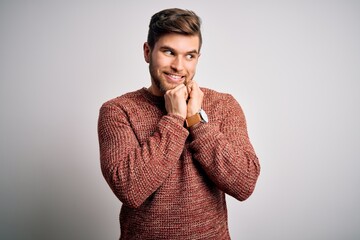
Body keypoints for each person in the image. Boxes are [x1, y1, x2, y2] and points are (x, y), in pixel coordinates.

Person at [98, 8, 260, 240]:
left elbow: (244, 184)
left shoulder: (224, 105)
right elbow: (130, 189)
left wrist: (196, 121)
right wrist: (174, 119)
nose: (179, 66)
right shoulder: (117, 110)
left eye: (189, 56)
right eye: (168, 52)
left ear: (197, 58)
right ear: (147, 51)